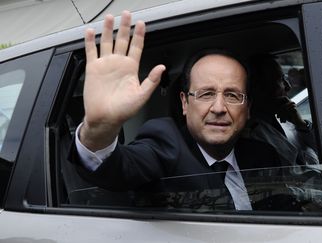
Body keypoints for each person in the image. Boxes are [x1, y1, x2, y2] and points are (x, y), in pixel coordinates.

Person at [68, 11, 282, 211]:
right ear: (184, 103)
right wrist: (100, 129)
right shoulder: (165, 145)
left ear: (248, 107)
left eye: (232, 95)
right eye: (205, 94)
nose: (218, 108)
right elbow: (118, 169)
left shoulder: (263, 156)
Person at [244, 54, 319, 170]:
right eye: (280, 80)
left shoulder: (286, 120)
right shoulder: (252, 135)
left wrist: (302, 125)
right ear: (259, 88)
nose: (288, 86)